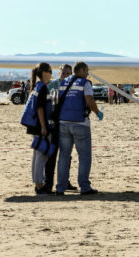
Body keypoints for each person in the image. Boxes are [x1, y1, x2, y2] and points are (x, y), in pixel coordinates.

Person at [55, 61, 104, 195]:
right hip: (80, 123)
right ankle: (84, 186)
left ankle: (60, 187)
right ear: (82, 70)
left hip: (63, 123)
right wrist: (97, 112)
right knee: (84, 156)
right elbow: (89, 100)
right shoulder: (85, 83)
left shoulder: (63, 82)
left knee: (64, 156)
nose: (88, 73)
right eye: (86, 70)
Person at [20, 62, 54, 195]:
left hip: (34, 126)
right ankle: (39, 184)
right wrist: (44, 127)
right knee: (42, 155)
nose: (51, 74)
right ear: (44, 73)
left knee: (37, 154)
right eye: (50, 71)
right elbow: (40, 108)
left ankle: (37, 182)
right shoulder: (42, 88)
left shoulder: (37, 87)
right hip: (39, 126)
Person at [46, 64, 77, 192]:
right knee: (51, 155)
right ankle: (48, 184)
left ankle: (65, 181)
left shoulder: (74, 86)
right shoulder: (51, 85)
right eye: (63, 73)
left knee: (66, 155)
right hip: (54, 124)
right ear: (59, 74)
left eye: (68, 74)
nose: (65, 76)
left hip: (67, 123)